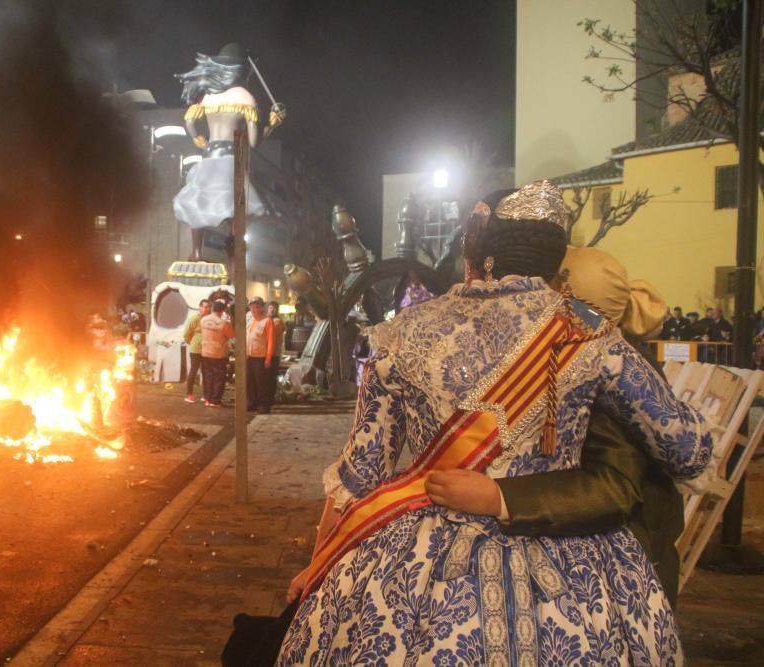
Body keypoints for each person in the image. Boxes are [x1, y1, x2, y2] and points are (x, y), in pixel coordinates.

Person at [278, 182, 712, 665]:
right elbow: (687, 449)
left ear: (476, 252)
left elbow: (359, 478)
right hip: (570, 558)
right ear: (557, 263)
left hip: (416, 559)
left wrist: (319, 563)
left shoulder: (398, 334)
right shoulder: (590, 334)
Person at [425, 245, 686, 605]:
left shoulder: (610, 371)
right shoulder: (580, 355)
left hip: (621, 571)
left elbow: (614, 486)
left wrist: (498, 496)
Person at [173, 43, 280, 261]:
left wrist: (198, 140)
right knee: (239, 212)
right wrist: (273, 125)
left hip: (210, 157)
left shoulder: (209, 97)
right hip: (232, 160)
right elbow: (252, 142)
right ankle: (233, 255)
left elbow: (189, 121)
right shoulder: (246, 98)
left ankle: (196, 253)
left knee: (198, 204)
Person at [200, 300, 234, 407]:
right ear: (222, 310)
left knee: (208, 376)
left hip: (205, 352)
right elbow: (231, 335)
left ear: (212, 308)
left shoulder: (203, 320)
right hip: (219, 353)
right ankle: (215, 400)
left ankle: (207, 398)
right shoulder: (223, 323)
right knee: (219, 377)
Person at [246, 297, 274, 413]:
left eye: (257, 307)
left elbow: (271, 341)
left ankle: (263, 405)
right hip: (249, 357)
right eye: (252, 307)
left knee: (261, 383)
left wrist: (268, 357)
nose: (254, 309)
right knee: (250, 381)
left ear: (262, 308)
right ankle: (252, 402)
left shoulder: (267, 321)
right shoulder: (249, 321)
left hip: (260, 357)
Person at [184, 299, 212, 403]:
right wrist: (193, 343)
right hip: (196, 350)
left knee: (206, 372)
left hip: (208, 350)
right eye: (205, 307)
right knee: (193, 371)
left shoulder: (210, 319)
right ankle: (189, 394)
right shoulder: (194, 319)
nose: (207, 309)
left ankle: (206, 395)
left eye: (209, 307)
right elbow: (186, 334)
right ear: (200, 307)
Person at [266, 300, 285, 398]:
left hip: (274, 354)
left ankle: (270, 396)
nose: (272, 310)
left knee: (271, 376)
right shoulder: (267, 321)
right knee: (267, 376)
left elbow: (270, 335)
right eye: (270, 308)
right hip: (266, 354)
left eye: (274, 308)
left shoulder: (277, 322)